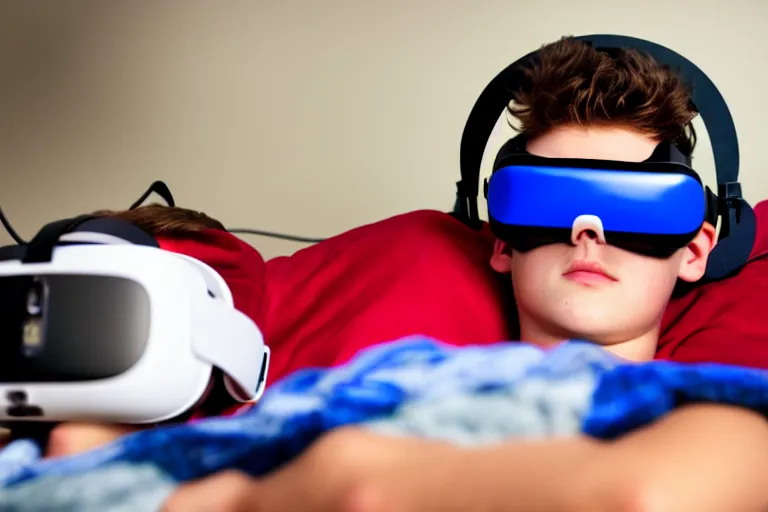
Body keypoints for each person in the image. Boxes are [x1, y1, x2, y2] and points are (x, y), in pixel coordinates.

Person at [10, 37, 768, 510]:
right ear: (499, 239)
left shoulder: (716, 419)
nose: (586, 229)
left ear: (699, 247)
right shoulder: (374, 386)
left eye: (635, 207)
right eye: (545, 198)